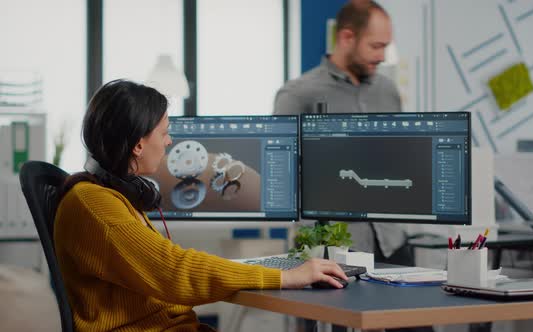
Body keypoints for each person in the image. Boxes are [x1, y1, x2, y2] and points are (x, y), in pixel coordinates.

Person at [54, 79, 347, 332]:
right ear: (138, 145)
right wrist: (285, 276)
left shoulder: (112, 196)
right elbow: (173, 271)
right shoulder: (95, 205)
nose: (169, 142)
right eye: (164, 132)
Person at [274, 1, 410, 265]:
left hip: (392, 242)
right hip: (329, 248)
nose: (383, 56)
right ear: (347, 37)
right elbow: (279, 172)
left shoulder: (388, 91)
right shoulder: (298, 94)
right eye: (376, 46)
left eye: (386, 46)